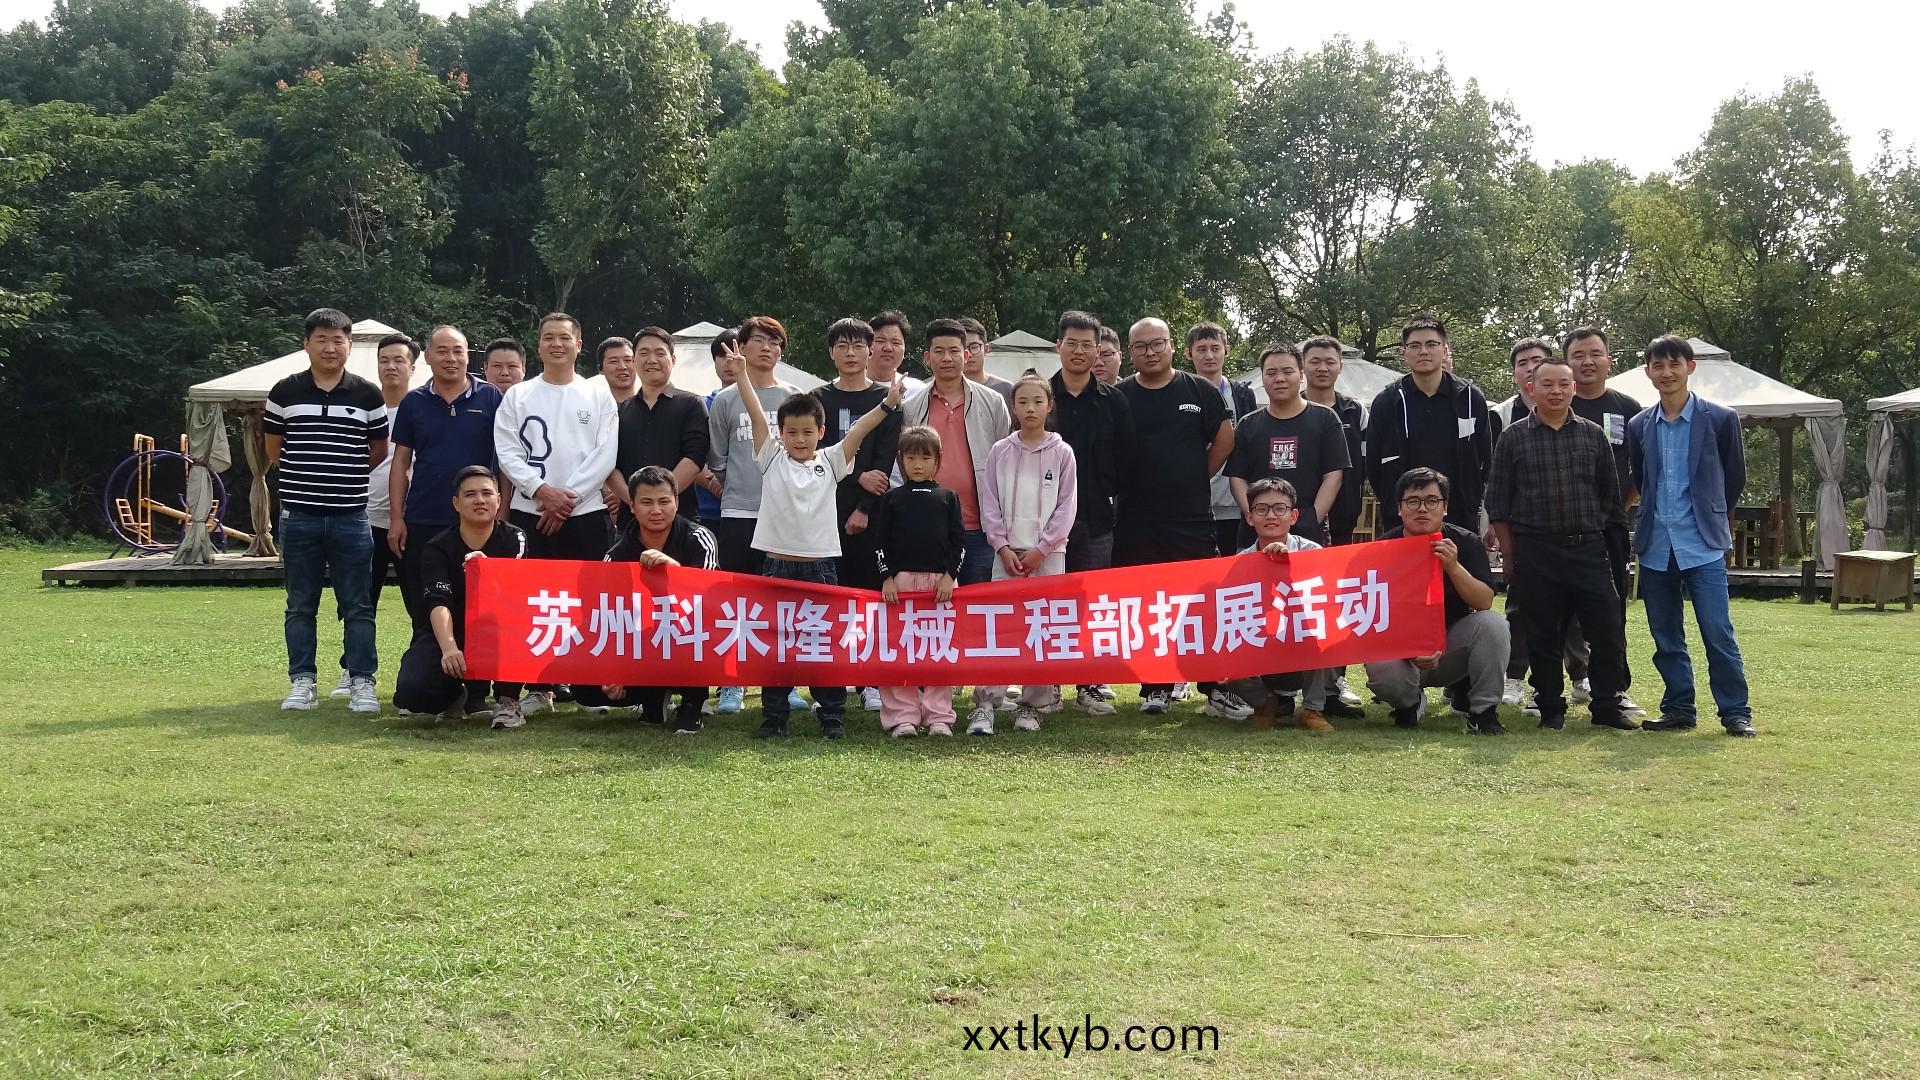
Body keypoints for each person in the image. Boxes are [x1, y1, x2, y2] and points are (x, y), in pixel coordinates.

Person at [743, 356, 904, 739]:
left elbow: (860, 430)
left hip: (821, 568)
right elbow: (755, 414)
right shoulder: (771, 457)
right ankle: (775, 716)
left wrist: (888, 403)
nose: (799, 439)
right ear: (781, 433)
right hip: (778, 567)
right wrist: (742, 375)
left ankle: (832, 714)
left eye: (807, 432)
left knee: (825, 641)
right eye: (792, 432)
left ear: (821, 432)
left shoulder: (832, 460)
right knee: (778, 643)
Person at [1486, 356, 1635, 732]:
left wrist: (1589, 532)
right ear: (1531, 388)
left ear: (1573, 389)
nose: (1556, 391)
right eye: (1547, 384)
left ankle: (1607, 705)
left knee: (1606, 629)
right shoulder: (1513, 437)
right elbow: (1498, 503)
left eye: (1563, 384)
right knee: (1543, 634)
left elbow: (1609, 498)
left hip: (1588, 549)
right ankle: (1550, 707)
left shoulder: (1592, 434)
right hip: (1536, 550)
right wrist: (1510, 556)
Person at [1116, 316, 1248, 720]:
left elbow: (1225, 438)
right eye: (1141, 346)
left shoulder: (1199, 390)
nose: (1150, 352)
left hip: (1191, 517)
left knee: (1200, 601)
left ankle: (1214, 689)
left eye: (1157, 343)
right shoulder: (1120, 395)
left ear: (1172, 345)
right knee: (1148, 604)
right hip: (1136, 519)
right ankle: (1156, 685)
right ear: (1130, 352)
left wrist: (1195, 474)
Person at [1625, 335, 1756, 737]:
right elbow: (1641, 479)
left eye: (1674, 364)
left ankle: (1735, 712)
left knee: (1717, 631)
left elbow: (1734, 478)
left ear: (1690, 367)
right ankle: (1679, 708)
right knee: (1666, 635)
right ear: (1648, 372)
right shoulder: (1639, 424)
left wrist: (1711, 513)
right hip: (1656, 544)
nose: (1666, 373)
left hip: (1703, 543)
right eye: (1658, 366)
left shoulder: (1720, 419)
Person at [494, 312, 619, 715]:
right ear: (539, 345)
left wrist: (568, 499)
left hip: (586, 513)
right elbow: (507, 451)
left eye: (564, 337)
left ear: (578, 345)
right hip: (529, 512)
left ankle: (588, 688)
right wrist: (541, 491)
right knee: (527, 603)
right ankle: (531, 689)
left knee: (588, 603)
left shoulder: (597, 395)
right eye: (548, 337)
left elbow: (605, 454)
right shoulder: (518, 396)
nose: (556, 344)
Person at [266, 308, 389, 714]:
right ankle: (302, 681)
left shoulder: (368, 395)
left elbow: (377, 451)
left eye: (338, 340)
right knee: (300, 604)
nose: (330, 347)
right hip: (299, 516)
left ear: (350, 346)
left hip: (351, 516)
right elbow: (275, 450)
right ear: (306, 344)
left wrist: (343, 477)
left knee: (357, 604)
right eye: (321, 339)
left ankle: (361, 682)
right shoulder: (284, 392)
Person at [899, 317, 1013, 733]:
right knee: (928, 618)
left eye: (954, 351)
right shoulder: (912, 404)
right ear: (926, 357)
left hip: (979, 525)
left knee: (981, 615)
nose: (947, 358)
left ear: (968, 354)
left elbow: (1004, 459)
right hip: (926, 532)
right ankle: (928, 700)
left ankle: (985, 702)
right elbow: (902, 462)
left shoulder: (992, 402)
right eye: (939, 351)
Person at [571, 465, 721, 734]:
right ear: (632, 506)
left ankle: (692, 703)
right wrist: (611, 668)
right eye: (647, 502)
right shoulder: (616, 555)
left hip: (689, 634)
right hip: (640, 642)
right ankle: (653, 698)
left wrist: (673, 570)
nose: (656, 510)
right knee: (584, 687)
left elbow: (711, 598)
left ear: (676, 502)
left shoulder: (699, 538)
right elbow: (606, 617)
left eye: (664, 501)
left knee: (702, 627)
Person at [1364, 468, 1510, 735]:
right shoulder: (1381, 549)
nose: (1422, 509)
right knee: (1378, 662)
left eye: (1432, 501)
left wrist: (1453, 567)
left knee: (1493, 624)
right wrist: (1409, 649)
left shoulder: (1466, 542)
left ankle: (1483, 712)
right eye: (1413, 501)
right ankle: (1409, 704)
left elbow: (1484, 602)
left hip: (1451, 646)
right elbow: (1372, 617)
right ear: (1399, 508)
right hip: (1403, 653)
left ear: (1445, 507)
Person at [706, 317, 803, 717]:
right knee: (738, 601)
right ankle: (732, 683)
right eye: (758, 340)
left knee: (783, 600)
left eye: (774, 342)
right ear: (741, 347)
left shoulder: (794, 396)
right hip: (739, 511)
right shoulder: (725, 400)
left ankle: (784, 683)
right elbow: (718, 458)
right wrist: (738, 485)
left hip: (787, 514)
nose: (767, 348)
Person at [388, 325, 502, 642]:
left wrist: (502, 511)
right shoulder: (413, 401)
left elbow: (504, 460)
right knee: (424, 604)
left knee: (484, 605)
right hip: (424, 517)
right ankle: (429, 664)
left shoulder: (491, 397)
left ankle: (479, 668)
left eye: (458, 351)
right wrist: (396, 517)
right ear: (427, 357)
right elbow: (400, 462)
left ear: (468, 356)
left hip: (479, 521)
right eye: (442, 351)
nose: (451, 358)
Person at [978, 374, 1078, 734]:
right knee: (1001, 628)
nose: (1030, 408)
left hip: (1048, 556)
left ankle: (1034, 704)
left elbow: (1066, 507)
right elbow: (990, 503)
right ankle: (987, 702)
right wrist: (1001, 546)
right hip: (1005, 555)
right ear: (1013, 407)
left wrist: (1042, 548)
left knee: (1042, 628)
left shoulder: (1062, 453)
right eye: (1023, 402)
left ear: (1050, 406)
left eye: (1038, 401)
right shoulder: (1000, 451)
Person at [811, 317, 901, 714]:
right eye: (842, 346)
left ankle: (869, 680)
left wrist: (864, 507)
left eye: (858, 346)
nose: (851, 353)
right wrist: (855, 477)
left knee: (868, 597)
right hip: (824, 511)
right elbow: (814, 454)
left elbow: (884, 459)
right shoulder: (817, 398)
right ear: (831, 352)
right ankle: (830, 682)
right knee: (829, 597)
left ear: (870, 351)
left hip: (872, 514)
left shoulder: (887, 399)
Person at [392, 465, 528, 729]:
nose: (480, 500)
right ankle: (453, 695)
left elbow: (516, 593)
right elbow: (438, 602)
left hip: (499, 629)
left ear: (499, 499)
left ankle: (508, 700)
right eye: (470, 494)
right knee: (411, 692)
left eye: (487, 493)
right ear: (456, 503)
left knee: (519, 626)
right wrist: (449, 648)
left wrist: (488, 571)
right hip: (451, 630)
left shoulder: (515, 538)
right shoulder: (437, 547)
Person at [1049, 310, 1130, 715]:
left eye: (1087, 345)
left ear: (1099, 350)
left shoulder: (1115, 401)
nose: (1079, 351)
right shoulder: (1040, 396)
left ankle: (1090, 682)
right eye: (1072, 343)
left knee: (1093, 603)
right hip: (1044, 523)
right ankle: (1044, 685)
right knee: (1048, 603)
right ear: (1058, 346)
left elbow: (1127, 461)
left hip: (1096, 517)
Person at [1565, 326, 1646, 718]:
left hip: (1610, 527)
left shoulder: (1628, 408)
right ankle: (1545, 690)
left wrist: (1617, 507)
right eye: (1578, 355)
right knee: (1555, 611)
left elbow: (1640, 471)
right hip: (1557, 529)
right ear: (1566, 363)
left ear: (1609, 360)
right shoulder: (1556, 402)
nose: (1587, 362)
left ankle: (1614, 689)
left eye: (1595, 353)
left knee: (1611, 612)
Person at [872, 425, 965, 737]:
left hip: (940, 586)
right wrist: (887, 578)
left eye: (925, 458)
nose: (918, 465)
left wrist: (950, 577)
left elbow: (959, 543)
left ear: (938, 459)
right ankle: (902, 716)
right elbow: (880, 543)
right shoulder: (891, 499)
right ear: (901, 459)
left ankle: (939, 715)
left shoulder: (949, 497)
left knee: (940, 648)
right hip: (901, 585)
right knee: (899, 648)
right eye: (911, 458)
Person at [1227, 478, 1339, 732]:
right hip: (1260, 643)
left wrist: (1290, 565)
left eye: (1280, 509)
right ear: (1249, 517)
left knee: (1321, 630)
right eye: (1262, 509)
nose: (1271, 516)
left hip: (1303, 643)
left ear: (1293, 516)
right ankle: (1265, 705)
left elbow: (1325, 602)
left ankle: (1312, 709)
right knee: (1225, 654)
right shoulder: (1239, 563)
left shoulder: (1313, 552)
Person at [1366, 314, 1493, 532]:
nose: (1423, 351)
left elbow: (1485, 458)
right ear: (1404, 353)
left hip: (1460, 516)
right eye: (1415, 345)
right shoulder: (1387, 402)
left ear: (1445, 350)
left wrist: (1472, 498)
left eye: (1431, 344)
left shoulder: (1470, 398)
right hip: (1402, 518)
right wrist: (1392, 502)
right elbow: (1374, 465)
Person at [1299, 333, 1369, 714]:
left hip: (1341, 521)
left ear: (1341, 366)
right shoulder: (1289, 407)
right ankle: (1293, 680)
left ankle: (1336, 677)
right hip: (1297, 523)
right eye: (1315, 361)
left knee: (1336, 601)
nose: (1322, 368)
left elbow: (1365, 465)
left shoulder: (1356, 412)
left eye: (1330, 361)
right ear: (1303, 367)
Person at [1227, 343, 1349, 548]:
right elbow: (1237, 478)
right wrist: (1256, 516)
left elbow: (1333, 476)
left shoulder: (1326, 419)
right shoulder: (1247, 425)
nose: (1280, 379)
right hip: (1255, 535)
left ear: (1301, 374)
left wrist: (1313, 518)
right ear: (1262, 377)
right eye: (1271, 373)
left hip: (1308, 532)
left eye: (1287, 371)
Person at [611, 326, 708, 524]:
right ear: (634, 360)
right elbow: (610, 463)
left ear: (673, 360)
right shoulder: (620, 411)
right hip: (630, 521)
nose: (652, 360)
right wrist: (636, 503)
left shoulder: (692, 404)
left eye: (660, 353)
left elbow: (694, 458)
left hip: (680, 518)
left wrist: (660, 502)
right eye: (644, 353)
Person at [1186, 322, 1259, 557]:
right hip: (1195, 501)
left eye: (1215, 348)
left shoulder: (1243, 394)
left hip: (1235, 501)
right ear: (1188, 353)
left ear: (1227, 350)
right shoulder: (1181, 391)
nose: (1209, 355)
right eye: (1201, 349)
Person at [694, 328, 737, 535]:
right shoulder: (699, 406)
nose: (729, 361)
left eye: (735, 354)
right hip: (707, 513)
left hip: (753, 511)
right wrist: (714, 484)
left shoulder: (764, 405)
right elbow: (689, 453)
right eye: (722, 355)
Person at [959, 316, 1017, 411]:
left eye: (974, 347)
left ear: (986, 349)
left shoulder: (1006, 390)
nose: (968, 354)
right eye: (962, 348)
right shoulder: (944, 391)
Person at [868, 310, 926, 396]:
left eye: (895, 343)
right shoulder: (848, 386)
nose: (888, 348)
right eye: (880, 341)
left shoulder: (918, 391)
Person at [594, 335, 638, 406]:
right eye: (614, 361)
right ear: (600, 369)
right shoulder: (595, 408)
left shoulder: (652, 406)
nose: (622, 367)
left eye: (628, 360)